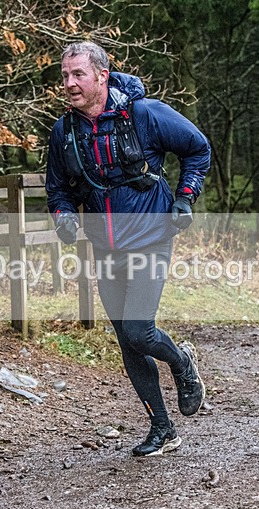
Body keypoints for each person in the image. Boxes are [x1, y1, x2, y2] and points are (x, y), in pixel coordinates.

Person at [45, 42, 211, 456]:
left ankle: (181, 362)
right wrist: (63, 216)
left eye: (78, 74)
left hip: (151, 236)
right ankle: (163, 429)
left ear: (102, 75)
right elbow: (58, 189)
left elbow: (198, 148)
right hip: (105, 248)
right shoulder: (64, 132)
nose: (69, 83)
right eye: (65, 76)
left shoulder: (144, 114)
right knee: (127, 341)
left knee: (139, 330)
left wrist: (185, 197)